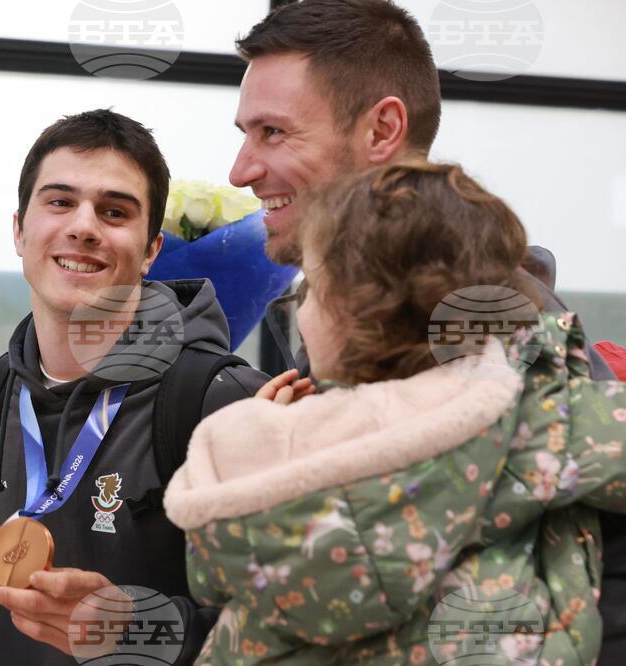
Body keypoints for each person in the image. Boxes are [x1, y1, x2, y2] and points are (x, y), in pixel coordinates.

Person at [225, 2, 624, 659]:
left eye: (273, 132)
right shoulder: (333, 318)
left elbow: (599, 584)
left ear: (382, 128)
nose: (240, 169)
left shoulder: (501, 332)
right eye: (246, 133)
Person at [164, 160, 626, 664]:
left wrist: (268, 442)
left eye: (310, 289)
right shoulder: (547, 416)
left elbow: (215, 588)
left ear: (354, 316)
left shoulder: (251, 475)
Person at [0, 109, 270, 665]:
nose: (84, 226)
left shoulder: (221, 403)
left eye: (114, 211)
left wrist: (139, 632)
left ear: (150, 251)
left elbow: (298, 630)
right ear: (20, 231)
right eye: (60, 202)